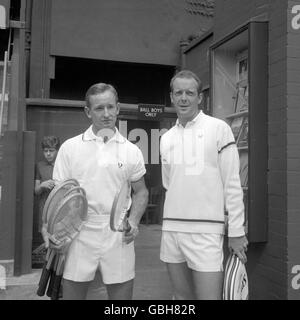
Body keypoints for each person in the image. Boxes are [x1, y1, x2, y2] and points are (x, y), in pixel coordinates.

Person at [42, 83, 149, 300]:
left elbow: (141, 191)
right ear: (88, 112)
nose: (107, 114)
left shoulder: (131, 150)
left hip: (118, 232)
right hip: (78, 231)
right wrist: (52, 231)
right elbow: (59, 196)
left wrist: (134, 222)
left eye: (111, 107)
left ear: (118, 108)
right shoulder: (70, 148)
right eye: (99, 108)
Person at [159, 70, 248, 300]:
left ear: (200, 98)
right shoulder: (166, 138)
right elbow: (169, 183)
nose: (184, 98)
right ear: (172, 97)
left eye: (190, 93)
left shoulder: (219, 129)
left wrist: (236, 232)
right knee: (181, 299)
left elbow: (232, 184)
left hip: (206, 232)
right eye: (178, 93)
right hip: (172, 230)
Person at [34, 136, 60, 232]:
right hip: (44, 208)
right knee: (45, 239)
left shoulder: (62, 164)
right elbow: (36, 191)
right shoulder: (40, 166)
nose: (48, 154)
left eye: (51, 150)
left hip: (59, 208)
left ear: (57, 150)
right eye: (45, 151)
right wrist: (42, 185)